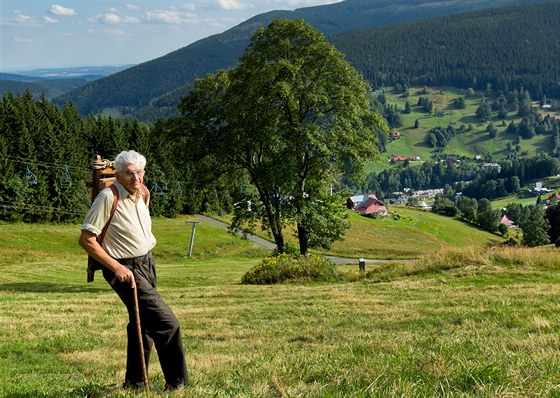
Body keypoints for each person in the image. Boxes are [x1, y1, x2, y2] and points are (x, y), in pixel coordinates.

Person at [78, 150, 189, 390]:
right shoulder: (108, 197)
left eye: (138, 172)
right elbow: (87, 240)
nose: (135, 177)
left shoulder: (143, 193)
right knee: (167, 322)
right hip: (125, 268)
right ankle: (177, 385)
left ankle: (135, 384)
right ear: (117, 175)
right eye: (128, 173)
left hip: (147, 262)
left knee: (144, 324)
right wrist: (117, 267)